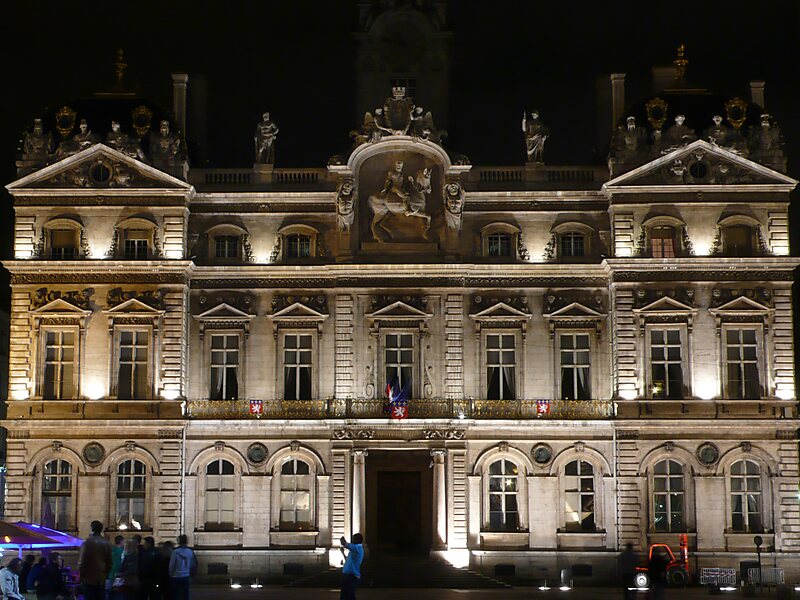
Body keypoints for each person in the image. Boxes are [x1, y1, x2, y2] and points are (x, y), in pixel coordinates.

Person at [78, 520, 113, 600]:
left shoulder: (87, 542)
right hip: (101, 578)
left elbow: (82, 561)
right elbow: (109, 562)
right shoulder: (107, 543)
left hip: (88, 578)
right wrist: (105, 574)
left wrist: (81, 574)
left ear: (92, 529)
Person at [168, 535, 197, 600]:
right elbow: (193, 564)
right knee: (185, 596)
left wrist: (170, 574)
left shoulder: (175, 552)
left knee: (175, 596)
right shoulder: (190, 551)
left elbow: (172, 565)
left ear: (179, 541)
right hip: (186, 575)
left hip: (176, 576)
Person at [339, 533, 364, 600]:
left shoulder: (357, 548)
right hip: (349, 575)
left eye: (353, 539)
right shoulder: (355, 550)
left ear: (357, 540)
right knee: (348, 595)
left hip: (351, 575)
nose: (352, 540)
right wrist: (343, 553)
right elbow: (348, 560)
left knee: (348, 595)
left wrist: (342, 540)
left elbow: (345, 543)